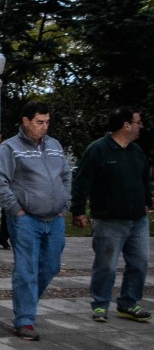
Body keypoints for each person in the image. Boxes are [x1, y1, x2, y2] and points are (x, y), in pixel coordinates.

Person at [0, 101, 72, 341]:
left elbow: (66, 176)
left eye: (47, 122)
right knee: (26, 268)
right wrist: (16, 210)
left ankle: (27, 302)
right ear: (25, 121)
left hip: (54, 219)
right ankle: (24, 320)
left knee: (51, 265)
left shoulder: (54, 146)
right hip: (26, 219)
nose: (44, 127)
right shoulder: (9, 148)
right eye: (39, 122)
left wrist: (64, 205)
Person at [71, 106, 151, 323]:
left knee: (140, 263)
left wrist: (147, 202)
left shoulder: (137, 151)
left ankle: (128, 303)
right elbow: (81, 182)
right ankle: (100, 304)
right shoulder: (98, 150)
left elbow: (144, 179)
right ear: (126, 125)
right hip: (109, 221)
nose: (140, 126)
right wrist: (78, 210)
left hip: (138, 220)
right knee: (106, 265)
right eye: (138, 122)